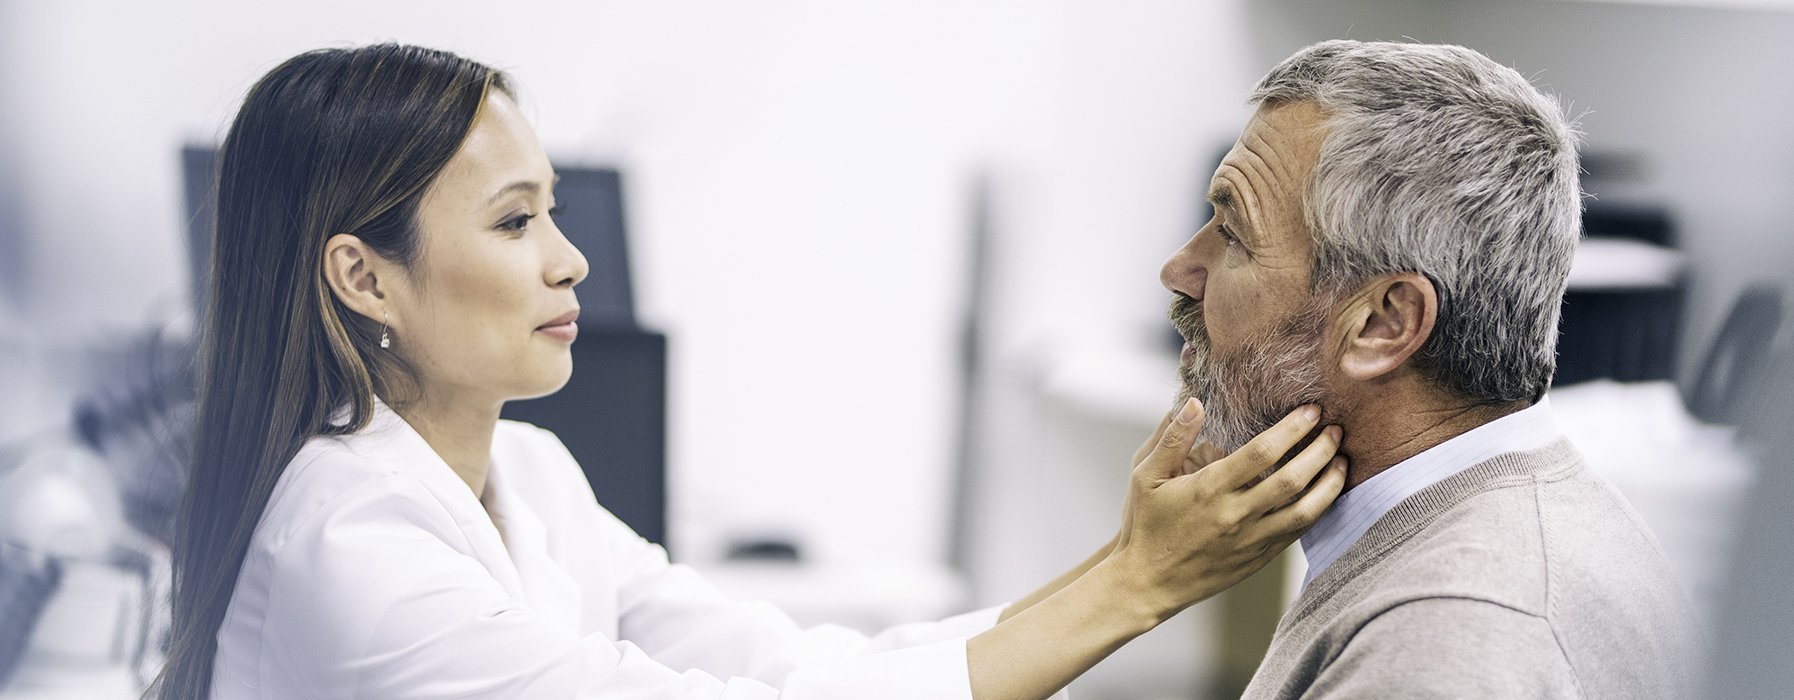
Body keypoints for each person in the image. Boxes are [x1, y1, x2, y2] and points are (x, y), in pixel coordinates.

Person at [144, 44, 1348, 700]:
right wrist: (1141, 585)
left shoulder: (530, 474)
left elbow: (788, 668)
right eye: (514, 224)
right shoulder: (348, 554)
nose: (570, 263)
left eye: (553, 213)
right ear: (364, 278)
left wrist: (1130, 560)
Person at [1159, 40, 1696, 699]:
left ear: (1384, 324)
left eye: (1234, 236)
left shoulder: (1449, 643)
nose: (1179, 272)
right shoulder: (1500, 537)